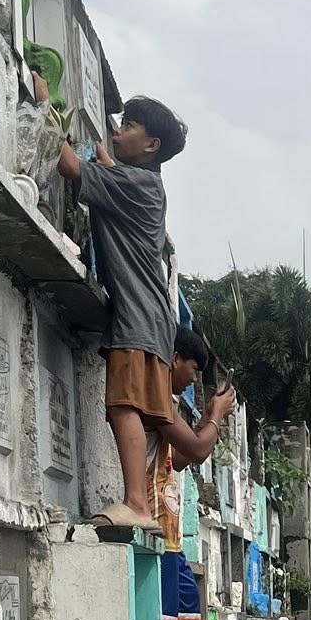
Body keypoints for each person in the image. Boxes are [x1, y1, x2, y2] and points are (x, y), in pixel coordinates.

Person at [54, 93, 188, 528]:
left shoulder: (137, 185)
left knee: (122, 406)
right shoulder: (143, 183)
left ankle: (136, 502)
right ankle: (140, 502)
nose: (117, 130)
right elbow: (108, 166)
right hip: (149, 317)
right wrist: (106, 154)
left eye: (128, 125)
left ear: (151, 144)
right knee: (133, 410)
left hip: (137, 315)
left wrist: (45, 108)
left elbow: (71, 166)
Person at [145, 327, 239, 620]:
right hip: (154, 525)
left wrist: (204, 420)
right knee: (170, 615)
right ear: (173, 358)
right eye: (193, 368)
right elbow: (198, 451)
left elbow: (181, 459)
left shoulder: (168, 404)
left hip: (171, 532)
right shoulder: (155, 400)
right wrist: (215, 418)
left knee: (187, 611)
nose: (194, 379)